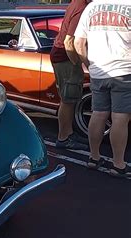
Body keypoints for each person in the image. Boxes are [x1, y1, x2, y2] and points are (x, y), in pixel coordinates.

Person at [74, 0, 131, 179]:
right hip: (124, 71)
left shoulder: (91, 7)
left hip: (98, 71)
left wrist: (89, 65)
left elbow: (78, 43)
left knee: (98, 114)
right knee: (120, 118)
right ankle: (118, 164)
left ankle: (94, 157)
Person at [50, 0, 91, 150]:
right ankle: (63, 138)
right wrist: (78, 62)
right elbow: (69, 41)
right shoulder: (82, 7)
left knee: (69, 99)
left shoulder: (76, 3)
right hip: (65, 57)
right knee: (67, 99)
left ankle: (68, 133)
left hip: (61, 55)